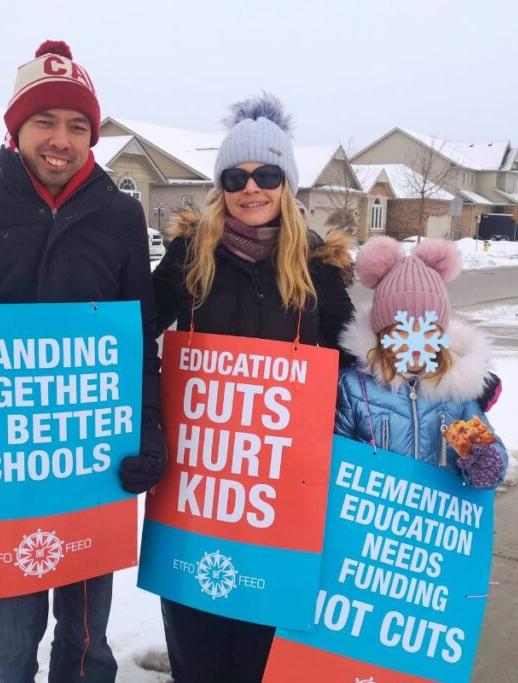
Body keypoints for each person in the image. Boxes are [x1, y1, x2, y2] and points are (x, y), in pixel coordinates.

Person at [0, 40, 167, 683]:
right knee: (5, 651)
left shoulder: (119, 215)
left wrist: (148, 424)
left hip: (90, 467)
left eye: (77, 125)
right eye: (46, 121)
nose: (61, 140)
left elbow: (139, 335)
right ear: (17, 128)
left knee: (87, 647)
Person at [151, 93, 355, 683]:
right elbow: (133, 332)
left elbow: (356, 364)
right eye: (235, 177)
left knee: (265, 649)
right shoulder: (191, 256)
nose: (251, 188)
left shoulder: (319, 266)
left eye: (267, 174)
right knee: (198, 641)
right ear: (221, 186)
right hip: (199, 484)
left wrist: (451, 380)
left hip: (281, 488)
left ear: (286, 183)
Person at [334, 236, 508, 489]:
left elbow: (490, 455)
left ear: (441, 335)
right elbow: (335, 455)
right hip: (373, 517)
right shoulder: (354, 388)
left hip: (432, 518)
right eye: (402, 331)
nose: (415, 343)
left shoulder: (457, 392)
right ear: (382, 335)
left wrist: (485, 464)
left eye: (427, 331)